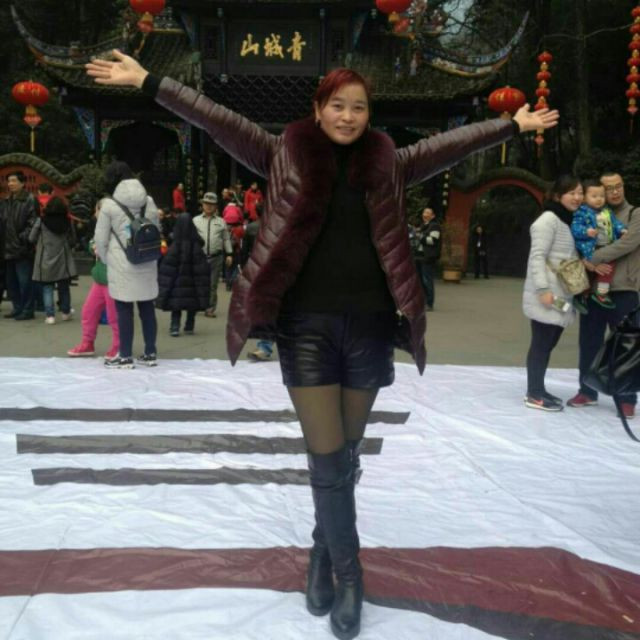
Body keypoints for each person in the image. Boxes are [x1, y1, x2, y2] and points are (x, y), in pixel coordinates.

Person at [87, 50, 558, 640]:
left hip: (369, 327)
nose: (348, 116)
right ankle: (350, 575)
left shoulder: (390, 163)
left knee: (345, 457)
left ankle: (320, 550)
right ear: (318, 109)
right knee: (328, 456)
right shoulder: (283, 152)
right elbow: (214, 118)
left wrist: (511, 124)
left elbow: (451, 145)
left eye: (359, 107)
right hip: (305, 328)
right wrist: (149, 81)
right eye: (338, 105)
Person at [567, 171, 640, 418]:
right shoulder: (589, 214)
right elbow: (577, 241)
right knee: (589, 341)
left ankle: (626, 397)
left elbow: (627, 244)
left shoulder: (635, 214)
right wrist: (585, 261)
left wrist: (594, 257)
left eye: (618, 186)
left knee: (626, 345)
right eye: (609, 188)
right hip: (594, 289)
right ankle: (587, 390)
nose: (615, 192)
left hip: (625, 289)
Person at [522, 176, 584, 411]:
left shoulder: (568, 220)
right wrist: (542, 289)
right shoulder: (548, 220)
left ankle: (539, 387)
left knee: (549, 342)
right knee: (541, 342)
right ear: (558, 196)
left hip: (562, 294)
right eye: (572, 193)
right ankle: (534, 394)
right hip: (547, 294)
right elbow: (536, 257)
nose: (577, 197)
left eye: (580, 193)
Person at [94, 160, 160, 369]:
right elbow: (156, 230)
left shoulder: (109, 205)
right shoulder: (149, 201)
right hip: (146, 260)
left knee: (124, 310)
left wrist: (107, 259)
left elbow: (100, 239)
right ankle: (150, 353)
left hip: (121, 263)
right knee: (147, 309)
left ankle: (125, 355)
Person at [67, 199, 119, 359]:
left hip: (113, 280)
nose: (95, 213)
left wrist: (102, 248)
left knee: (114, 317)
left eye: (97, 210)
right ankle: (87, 343)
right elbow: (92, 242)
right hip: (99, 278)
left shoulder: (117, 227)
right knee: (88, 312)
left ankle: (119, 346)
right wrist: (94, 246)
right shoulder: (100, 227)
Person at [571, 179, 626, 310]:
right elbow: (574, 228)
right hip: (589, 248)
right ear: (584, 198)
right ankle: (581, 295)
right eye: (594, 196)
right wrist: (586, 231)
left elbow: (615, 223)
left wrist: (622, 230)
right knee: (587, 274)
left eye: (601, 196)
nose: (599, 199)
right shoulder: (582, 212)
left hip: (606, 247)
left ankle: (601, 293)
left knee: (608, 269)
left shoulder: (607, 211)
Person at [157, 212, 210, 337]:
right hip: (193, 282)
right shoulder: (197, 244)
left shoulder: (174, 244)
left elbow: (167, 266)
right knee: (192, 304)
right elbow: (202, 267)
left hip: (177, 281)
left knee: (176, 305)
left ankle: (174, 326)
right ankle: (189, 326)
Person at [29, 196, 77, 324]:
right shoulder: (68, 221)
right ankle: (66, 312)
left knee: (47, 287)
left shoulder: (41, 221)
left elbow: (31, 238)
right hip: (63, 258)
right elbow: (73, 240)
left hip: (45, 257)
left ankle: (50, 316)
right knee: (64, 287)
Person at [1, 171, 38, 320]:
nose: (10, 184)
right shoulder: (6, 200)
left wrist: (23, 239)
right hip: (7, 247)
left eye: (14, 181)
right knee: (11, 283)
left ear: (22, 183)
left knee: (25, 282)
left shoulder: (29, 200)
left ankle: (28, 310)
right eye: (9, 181)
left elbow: (33, 223)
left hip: (22, 248)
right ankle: (17, 308)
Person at [192, 192, 233, 318]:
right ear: (202, 205)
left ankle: (210, 308)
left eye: (212, 204)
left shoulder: (221, 222)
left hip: (216, 257)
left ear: (216, 206)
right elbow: (191, 239)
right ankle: (198, 305)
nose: (209, 206)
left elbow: (226, 239)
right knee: (199, 282)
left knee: (212, 284)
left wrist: (229, 254)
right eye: (206, 203)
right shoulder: (195, 220)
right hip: (200, 257)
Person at [414, 207, 441, 310]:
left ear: (432, 216)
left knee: (427, 280)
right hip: (418, 256)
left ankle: (429, 303)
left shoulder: (435, 226)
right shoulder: (423, 226)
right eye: (424, 212)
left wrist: (420, 236)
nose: (425, 214)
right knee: (420, 280)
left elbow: (433, 240)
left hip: (428, 257)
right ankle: (422, 302)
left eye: (428, 212)